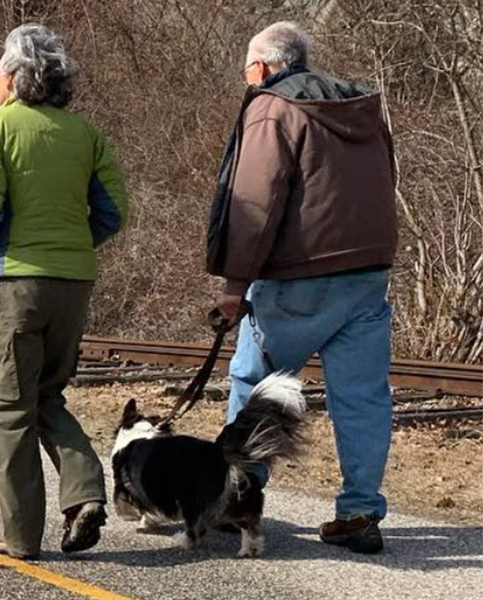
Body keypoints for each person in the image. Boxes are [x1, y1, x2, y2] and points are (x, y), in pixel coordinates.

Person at [208, 22, 397, 555]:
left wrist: (234, 285)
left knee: (253, 379)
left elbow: (254, 202)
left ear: (264, 66)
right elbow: (389, 179)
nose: (246, 78)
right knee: (361, 399)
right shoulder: (363, 107)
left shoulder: (272, 109)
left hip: (297, 276)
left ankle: (237, 494)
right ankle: (360, 512)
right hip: (367, 273)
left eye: (248, 68)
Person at [0, 24, 129, 559]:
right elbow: (113, 211)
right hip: (74, 282)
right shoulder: (86, 134)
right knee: (47, 395)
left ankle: (19, 537)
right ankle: (83, 494)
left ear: (11, 78)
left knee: (11, 410)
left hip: (15, 282)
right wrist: (76, 246)